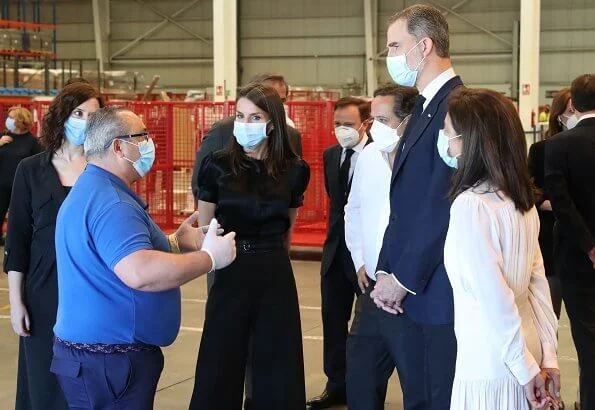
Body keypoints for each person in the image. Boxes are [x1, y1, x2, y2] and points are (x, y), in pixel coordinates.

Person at [51, 105, 237, 409]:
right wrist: (209, 259)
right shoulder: (112, 203)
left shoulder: (93, 189)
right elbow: (140, 272)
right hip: (110, 363)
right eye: (142, 136)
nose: (150, 144)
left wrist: (175, 242)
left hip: (97, 359)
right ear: (118, 146)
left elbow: (114, 257)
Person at [189, 83, 310, 410]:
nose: (245, 123)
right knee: (221, 357)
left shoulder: (295, 169)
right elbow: (206, 227)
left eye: (255, 116)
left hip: (274, 271)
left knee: (277, 359)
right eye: (240, 115)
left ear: (273, 122)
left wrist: (276, 264)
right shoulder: (216, 165)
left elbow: (288, 228)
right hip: (230, 268)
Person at [442, 87, 560, 409]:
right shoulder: (523, 202)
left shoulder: (472, 207)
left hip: (492, 361)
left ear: (471, 141)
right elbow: (538, 285)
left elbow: (494, 298)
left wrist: (524, 371)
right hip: (527, 349)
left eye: (450, 134)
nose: (446, 142)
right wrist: (548, 356)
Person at [371, 4, 463, 409]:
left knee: (435, 395)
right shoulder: (425, 106)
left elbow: (440, 203)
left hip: (435, 286)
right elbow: (404, 203)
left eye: (395, 45)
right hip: (414, 286)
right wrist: (385, 269)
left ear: (423, 46)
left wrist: (403, 278)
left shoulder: (455, 108)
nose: (389, 55)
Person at [3, 83, 103, 410]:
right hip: (43, 290)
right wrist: (17, 303)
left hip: (93, 290)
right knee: (43, 383)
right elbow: (17, 241)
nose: (85, 121)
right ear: (62, 115)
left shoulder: (103, 171)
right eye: (78, 113)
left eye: (93, 115)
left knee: (87, 381)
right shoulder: (30, 170)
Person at [344, 84, 418, 410]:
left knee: (417, 385)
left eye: (383, 119)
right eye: (371, 119)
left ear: (408, 120)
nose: (373, 127)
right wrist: (360, 259)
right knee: (361, 379)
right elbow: (354, 208)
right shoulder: (370, 156)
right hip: (373, 292)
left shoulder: (425, 157)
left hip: (412, 295)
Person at [307, 96, 371, 409]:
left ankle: (365, 389)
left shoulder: (378, 155)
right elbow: (337, 205)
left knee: (368, 329)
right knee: (333, 322)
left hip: (366, 256)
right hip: (335, 253)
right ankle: (336, 387)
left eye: (348, 124)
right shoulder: (331, 155)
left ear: (366, 124)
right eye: (337, 124)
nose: (342, 130)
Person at [545, 73, 595, 410]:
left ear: (573, 104)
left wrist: (589, 245)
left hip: (577, 259)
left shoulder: (558, 146)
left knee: (587, 340)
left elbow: (561, 203)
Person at [191, 72, 303, 207]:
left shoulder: (291, 136)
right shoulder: (222, 131)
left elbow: (294, 186)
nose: (275, 106)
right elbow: (201, 183)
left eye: (281, 101)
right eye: (267, 99)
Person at [528, 88, 573, 319]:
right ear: (558, 115)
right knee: (549, 316)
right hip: (550, 239)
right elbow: (530, 189)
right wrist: (547, 202)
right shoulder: (540, 150)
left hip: (580, 241)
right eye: (570, 110)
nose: (574, 115)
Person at [0, 106, 41, 244]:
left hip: (21, 186)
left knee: (19, 217)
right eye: (8, 117)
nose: (8, 120)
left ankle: (15, 243)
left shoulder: (32, 142)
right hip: (2, 185)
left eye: (11, 118)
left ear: (20, 120)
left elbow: (37, 166)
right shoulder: (3, 137)